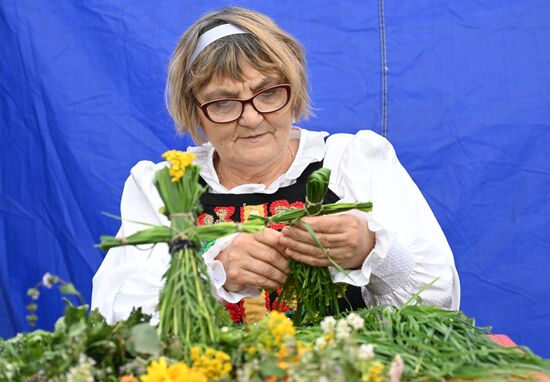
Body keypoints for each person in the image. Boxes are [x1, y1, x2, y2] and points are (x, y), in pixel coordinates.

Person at [91, 7, 460, 325]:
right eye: (223, 102)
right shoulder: (165, 187)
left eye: (268, 93)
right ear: (196, 114)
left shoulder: (352, 162)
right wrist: (211, 273)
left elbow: (439, 301)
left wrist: (370, 248)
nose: (251, 118)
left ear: (294, 95)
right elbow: (113, 315)